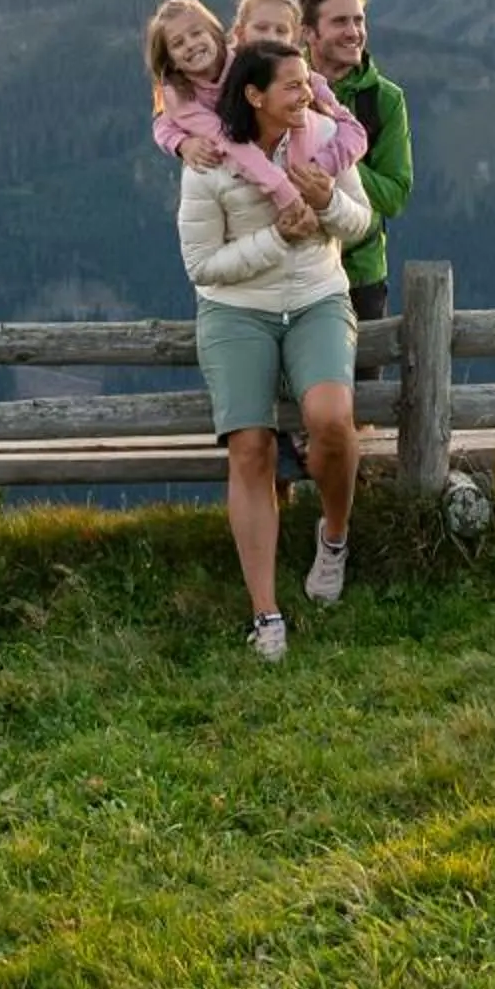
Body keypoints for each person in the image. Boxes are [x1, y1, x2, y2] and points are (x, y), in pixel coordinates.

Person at [177, 38, 373, 660]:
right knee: (250, 447)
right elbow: (201, 266)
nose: (308, 91)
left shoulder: (322, 137)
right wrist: (275, 242)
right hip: (238, 312)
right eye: (293, 84)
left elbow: (360, 222)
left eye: (307, 82)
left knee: (331, 421)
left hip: (318, 298)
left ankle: (334, 539)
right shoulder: (209, 161)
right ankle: (266, 613)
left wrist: (326, 201)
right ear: (255, 95)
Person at [143, 0, 367, 214]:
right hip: (249, 188)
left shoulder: (285, 73)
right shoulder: (181, 94)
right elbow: (171, 123)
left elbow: (351, 127)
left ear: (214, 33)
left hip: (299, 184)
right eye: (178, 43)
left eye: (196, 33)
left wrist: (320, 167)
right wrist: (182, 143)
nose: (191, 45)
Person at [299, 0, 411, 326]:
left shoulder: (385, 100)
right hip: (291, 272)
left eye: (359, 20)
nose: (354, 32)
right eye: (339, 21)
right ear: (308, 33)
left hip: (360, 277)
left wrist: (336, 155)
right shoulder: (279, 85)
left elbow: (395, 195)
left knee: (365, 383)